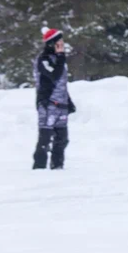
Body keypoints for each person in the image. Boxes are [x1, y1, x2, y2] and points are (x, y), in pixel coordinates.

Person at [33, 27, 76, 170]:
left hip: (61, 105)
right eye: (59, 42)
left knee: (62, 139)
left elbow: (61, 84)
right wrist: (61, 56)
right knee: (45, 138)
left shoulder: (60, 60)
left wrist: (68, 102)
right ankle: (39, 168)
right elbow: (54, 75)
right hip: (48, 104)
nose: (62, 45)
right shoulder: (43, 60)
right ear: (51, 43)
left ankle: (57, 166)